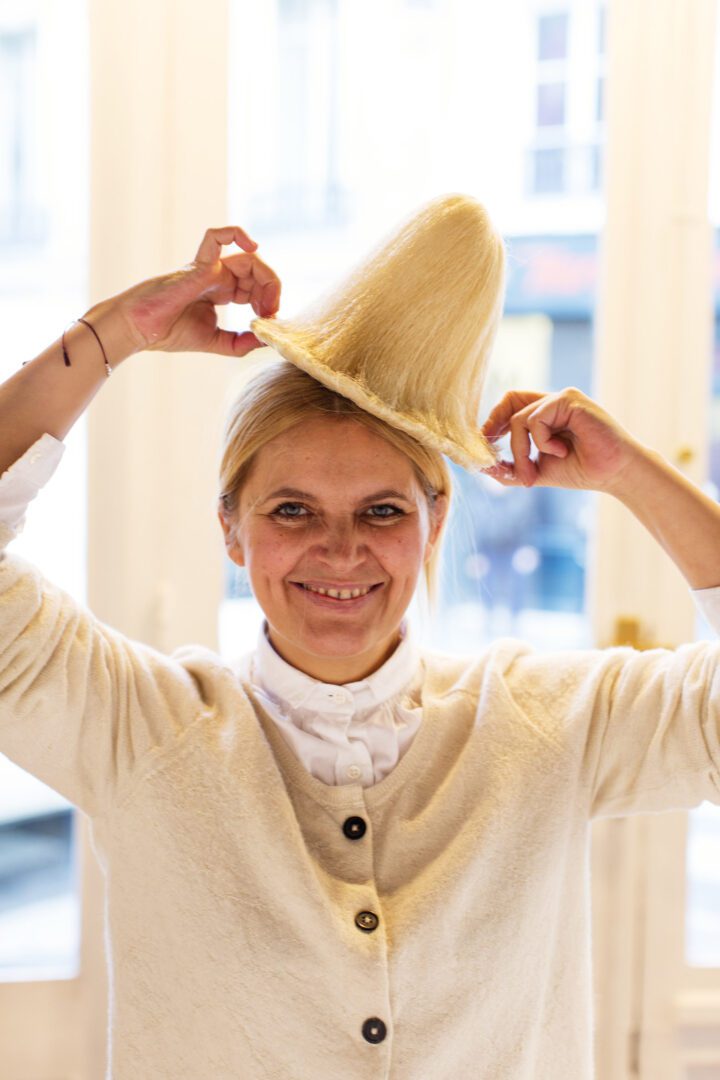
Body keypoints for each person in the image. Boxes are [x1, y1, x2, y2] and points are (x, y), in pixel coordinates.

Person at [1, 221, 719, 1080]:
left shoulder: (545, 722)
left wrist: (629, 471)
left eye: (382, 512)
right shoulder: (139, 728)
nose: (340, 552)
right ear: (231, 529)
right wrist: (114, 332)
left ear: (435, 523)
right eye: (292, 511)